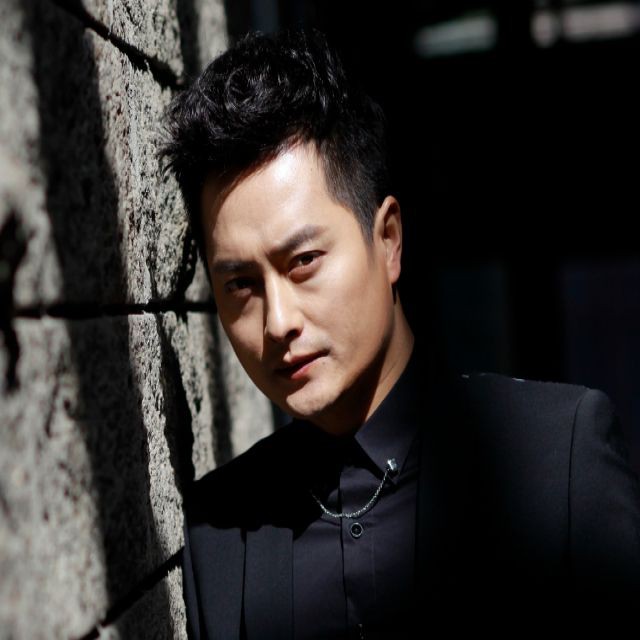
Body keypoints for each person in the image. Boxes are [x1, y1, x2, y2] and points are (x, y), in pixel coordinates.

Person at [160, 28, 640, 639]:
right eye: (241, 284)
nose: (278, 322)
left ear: (387, 240)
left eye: (303, 261)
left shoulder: (558, 456)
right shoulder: (221, 533)